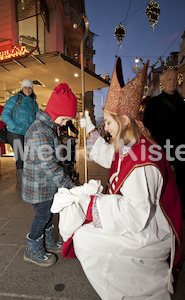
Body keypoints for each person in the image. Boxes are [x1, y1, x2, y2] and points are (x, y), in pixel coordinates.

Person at [51, 60, 182, 299]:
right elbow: (108, 156)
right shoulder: (130, 144)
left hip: (150, 230)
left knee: (84, 239)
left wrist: (93, 205)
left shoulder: (143, 161)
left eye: (108, 122)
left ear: (124, 120)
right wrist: (90, 131)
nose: (106, 128)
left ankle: (131, 289)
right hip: (138, 218)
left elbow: (136, 214)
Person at [22, 83, 77, 267]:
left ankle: (48, 242)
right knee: (43, 215)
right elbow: (49, 166)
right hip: (39, 185)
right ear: (56, 113)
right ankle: (32, 248)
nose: (66, 122)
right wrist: (69, 185)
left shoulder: (47, 127)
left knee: (47, 213)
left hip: (44, 184)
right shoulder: (40, 131)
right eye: (65, 118)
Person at [143, 69, 185, 216]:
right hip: (162, 148)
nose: (173, 82)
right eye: (169, 79)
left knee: (181, 180)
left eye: (175, 79)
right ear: (162, 83)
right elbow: (148, 124)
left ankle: (180, 209)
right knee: (163, 179)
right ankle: (163, 208)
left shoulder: (181, 103)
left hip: (181, 147)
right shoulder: (154, 103)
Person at [1, 79, 39, 191]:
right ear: (22, 88)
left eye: (30, 87)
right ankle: (21, 185)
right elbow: (5, 115)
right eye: (25, 87)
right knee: (21, 157)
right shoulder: (15, 99)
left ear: (32, 89)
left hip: (28, 134)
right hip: (15, 132)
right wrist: (15, 126)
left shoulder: (34, 103)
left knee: (29, 157)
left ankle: (28, 181)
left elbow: (37, 118)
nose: (27, 89)